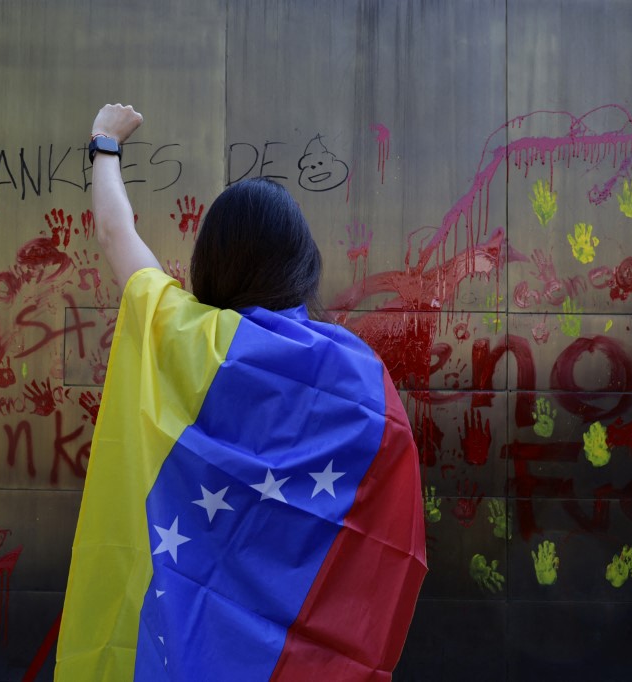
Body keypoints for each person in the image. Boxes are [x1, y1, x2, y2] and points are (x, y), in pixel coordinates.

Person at [55, 104, 426, 681]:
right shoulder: (354, 372)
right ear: (304, 264)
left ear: (209, 261)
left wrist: (105, 141)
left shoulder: (182, 335)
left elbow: (114, 232)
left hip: (187, 652)